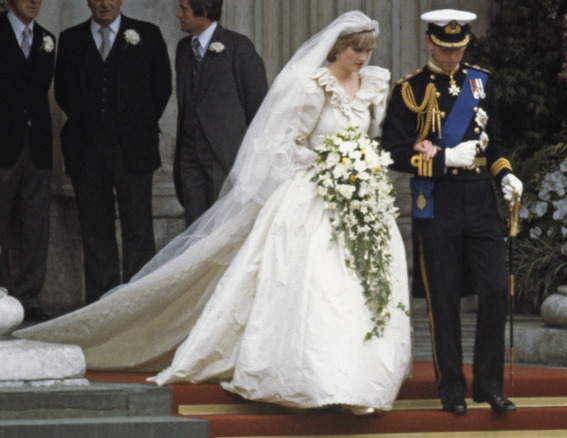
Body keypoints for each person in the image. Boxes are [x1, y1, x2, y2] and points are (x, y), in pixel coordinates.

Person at [16, 10, 411, 415]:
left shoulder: (374, 87)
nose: (362, 58)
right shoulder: (308, 85)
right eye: (355, 50)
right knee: (316, 284)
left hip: (360, 198)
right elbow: (281, 144)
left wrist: (363, 163)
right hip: (312, 196)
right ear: (337, 48)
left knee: (361, 286)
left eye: (367, 51)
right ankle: (315, 371)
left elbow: (378, 140)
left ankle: (358, 375)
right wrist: (329, 160)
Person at [381, 9, 523, 415]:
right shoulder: (409, 89)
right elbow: (393, 152)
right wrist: (444, 159)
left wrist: (507, 175)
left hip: (480, 200)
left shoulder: (481, 83)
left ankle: (489, 386)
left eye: (459, 48)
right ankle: (451, 389)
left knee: (495, 290)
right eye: (445, 48)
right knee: (443, 299)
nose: (452, 56)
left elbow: (495, 142)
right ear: (429, 42)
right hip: (437, 202)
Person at [55, 0, 172, 304]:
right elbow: (63, 92)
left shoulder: (147, 34)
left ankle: (138, 304)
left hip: (133, 150)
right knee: (95, 231)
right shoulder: (70, 39)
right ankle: (101, 306)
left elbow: (162, 87)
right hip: (86, 151)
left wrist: (136, 124)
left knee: (138, 230)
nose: (105, 3)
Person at [174, 0, 268, 225]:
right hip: (189, 156)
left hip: (224, 154)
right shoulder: (183, 49)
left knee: (224, 225)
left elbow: (257, 104)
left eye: (184, 9)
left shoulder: (238, 46)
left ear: (203, 12)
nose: (178, 15)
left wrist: (250, 156)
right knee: (195, 225)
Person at [0, 0, 55, 322]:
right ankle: (2, 293)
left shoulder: (48, 39)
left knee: (36, 224)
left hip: (37, 146)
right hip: (2, 144)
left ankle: (30, 297)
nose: (33, 1)